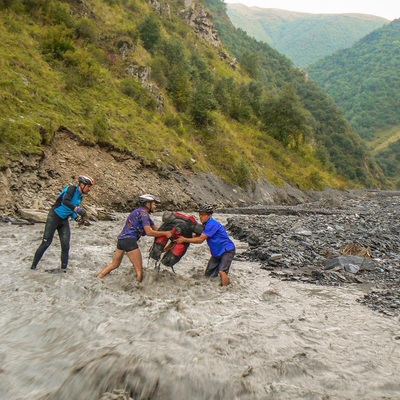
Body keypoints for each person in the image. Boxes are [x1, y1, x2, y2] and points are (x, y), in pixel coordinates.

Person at [97, 194, 172, 282]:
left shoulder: (139, 212)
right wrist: (166, 233)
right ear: (148, 204)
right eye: (154, 204)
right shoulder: (144, 214)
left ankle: (98, 278)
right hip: (130, 241)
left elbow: (156, 229)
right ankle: (137, 288)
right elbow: (149, 232)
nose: (155, 206)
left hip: (121, 240)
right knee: (139, 271)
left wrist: (169, 230)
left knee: (114, 264)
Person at [31, 175, 94, 272]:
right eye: (88, 186)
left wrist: (77, 218)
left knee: (65, 245)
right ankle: (33, 267)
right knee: (46, 242)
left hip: (63, 220)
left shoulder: (80, 196)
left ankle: (63, 270)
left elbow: (70, 210)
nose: (89, 189)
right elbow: (65, 201)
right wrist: (77, 209)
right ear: (82, 185)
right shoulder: (72, 189)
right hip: (54, 216)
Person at [175, 204, 235, 286]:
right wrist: (182, 237)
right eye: (200, 214)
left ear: (209, 215)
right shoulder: (205, 225)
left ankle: (226, 291)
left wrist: (184, 239)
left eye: (203, 215)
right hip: (216, 253)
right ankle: (217, 288)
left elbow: (200, 240)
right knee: (208, 275)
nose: (201, 217)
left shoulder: (212, 224)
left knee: (222, 271)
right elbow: (197, 236)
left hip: (226, 250)